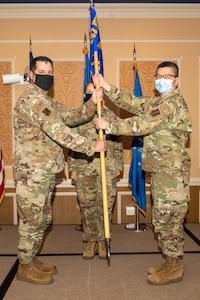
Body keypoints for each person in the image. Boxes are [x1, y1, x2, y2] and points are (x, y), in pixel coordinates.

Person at [93, 61, 192, 285]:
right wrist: (107, 86)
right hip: (161, 172)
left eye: (168, 77)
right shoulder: (158, 102)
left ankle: (174, 266)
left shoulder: (172, 105)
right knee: (162, 219)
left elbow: (143, 124)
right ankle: (169, 261)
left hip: (172, 176)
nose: (162, 80)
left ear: (176, 81)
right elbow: (134, 102)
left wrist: (109, 125)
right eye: (159, 76)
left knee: (169, 221)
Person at [13, 56, 107, 285]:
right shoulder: (32, 101)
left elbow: (70, 117)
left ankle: (31, 259)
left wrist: (92, 102)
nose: (47, 75)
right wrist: (90, 146)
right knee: (33, 220)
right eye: (42, 71)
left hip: (43, 172)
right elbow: (59, 131)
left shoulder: (48, 101)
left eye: (50, 71)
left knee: (42, 219)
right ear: (32, 75)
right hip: (32, 173)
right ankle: (24, 266)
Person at [67, 81, 123, 260]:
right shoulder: (79, 117)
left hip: (107, 169)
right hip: (84, 169)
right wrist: (73, 167)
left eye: (95, 91)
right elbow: (71, 145)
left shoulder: (111, 117)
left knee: (105, 207)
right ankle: (91, 241)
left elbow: (118, 144)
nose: (91, 94)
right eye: (88, 92)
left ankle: (103, 241)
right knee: (87, 207)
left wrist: (119, 166)